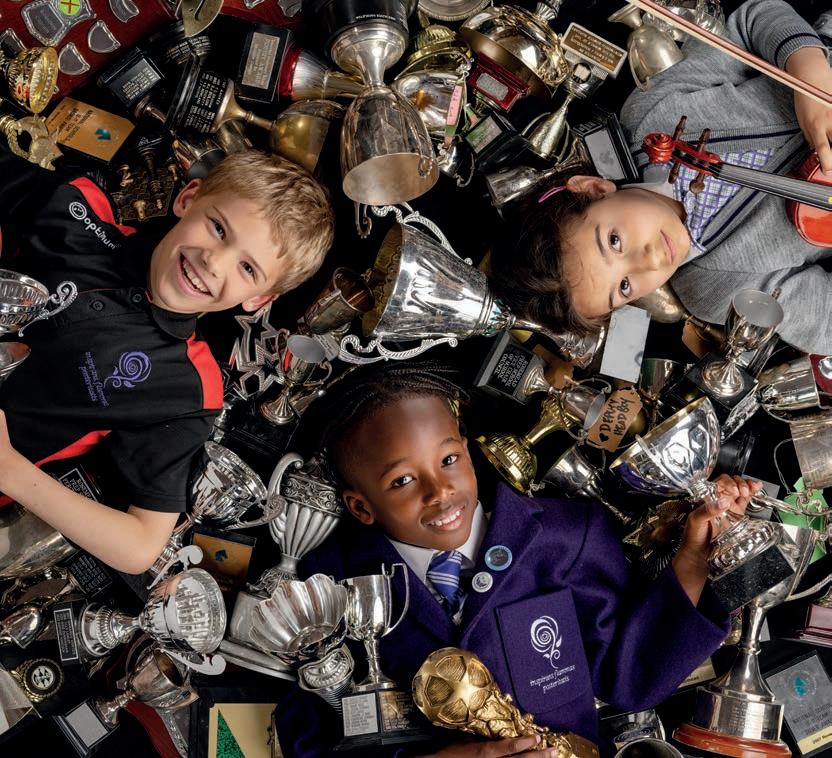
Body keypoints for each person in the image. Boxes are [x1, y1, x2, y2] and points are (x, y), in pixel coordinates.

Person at [274, 361, 760, 757]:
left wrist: (694, 558)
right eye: (402, 481)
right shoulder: (329, 583)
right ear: (361, 507)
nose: (440, 492)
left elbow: (631, 677)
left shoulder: (568, 535)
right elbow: (305, 735)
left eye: (448, 460)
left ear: (467, 452)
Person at [0, 147, 334, 573]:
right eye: (218, 228)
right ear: (188, 198)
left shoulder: (187, 388)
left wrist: (9, 469)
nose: (214, 262)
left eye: (248, 269)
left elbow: (139, 546)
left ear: (259, 300)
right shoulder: (77, 208)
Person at [489, 0, 832, 355]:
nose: (650, 261)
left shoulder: (652, 118)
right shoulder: (714, 292)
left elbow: (751, 21)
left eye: (615, 241)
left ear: (593, 189)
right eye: (624, 287)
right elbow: (826, 323)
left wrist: (808, 72)